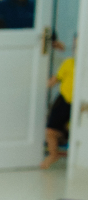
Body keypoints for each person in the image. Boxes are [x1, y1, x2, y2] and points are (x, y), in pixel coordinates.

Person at [42, 34, 77, 169]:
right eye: (75, 46)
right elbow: (54, 80)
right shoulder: (68, 63)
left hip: (77, 104)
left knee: (71, 132)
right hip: (63, 102)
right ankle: (53, 154)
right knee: (50, 130)